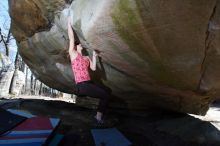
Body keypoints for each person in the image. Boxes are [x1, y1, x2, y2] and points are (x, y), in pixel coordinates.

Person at [67, 17, 110, 123]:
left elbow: (93, 68)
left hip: (89, 83)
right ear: (76, 47)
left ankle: (98, 115)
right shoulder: (74, 55)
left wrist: (94, 56)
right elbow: (71, 38)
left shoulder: (86, 58)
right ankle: (98, 117)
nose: (80, 44)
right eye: (78, 44)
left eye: (79, 44)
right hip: (82, 85)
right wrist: (69, 23)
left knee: (106, 94)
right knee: (105, 95)